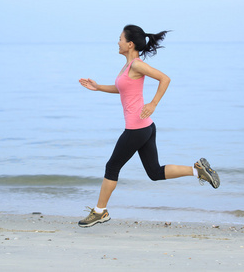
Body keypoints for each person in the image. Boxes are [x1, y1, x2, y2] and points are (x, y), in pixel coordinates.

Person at [78, 25, 220, 228]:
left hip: (137, 128)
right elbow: (124, 91)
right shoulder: (127, 67)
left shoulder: (136, 65)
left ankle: (100, 211)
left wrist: (153, 103)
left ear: (130, 44)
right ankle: (197, 170)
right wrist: (98, 87)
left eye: (120, 39)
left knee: (112, 167)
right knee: (154, 172)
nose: (117, 42)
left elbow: (165, 78)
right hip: (145, 127)